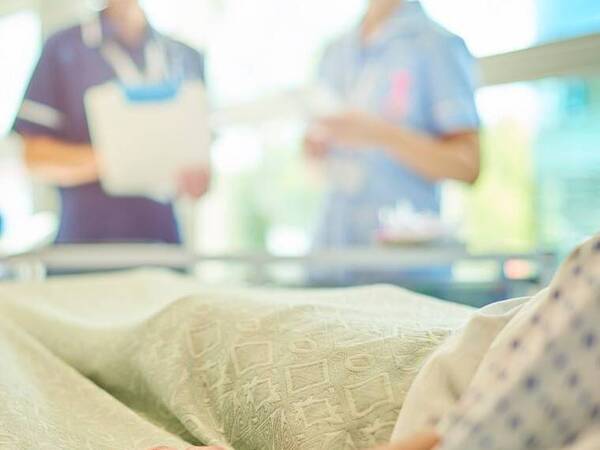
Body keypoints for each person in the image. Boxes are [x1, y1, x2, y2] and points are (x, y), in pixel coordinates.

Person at [304, 0, 481, 283]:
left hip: (404, 274)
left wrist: (380, 134)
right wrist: (314, 147)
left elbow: (467, 165)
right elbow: (314, 158)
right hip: (329, 261)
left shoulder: (436, 46)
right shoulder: (334, 52)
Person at [13, 0, 210, 244]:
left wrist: (196, 180)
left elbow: (202, 169)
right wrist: (119, 160)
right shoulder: (64, 48)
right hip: (88, 249)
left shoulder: (185, 57)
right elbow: (35, 158)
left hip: (163, 247)